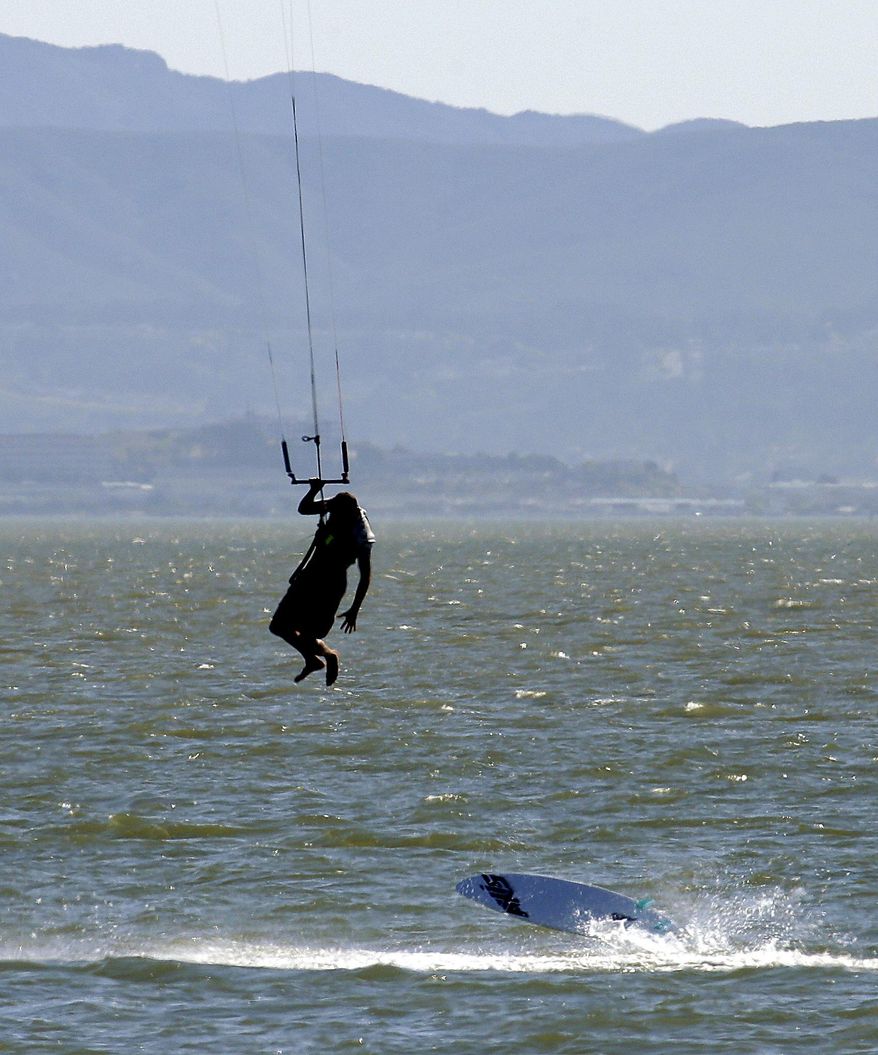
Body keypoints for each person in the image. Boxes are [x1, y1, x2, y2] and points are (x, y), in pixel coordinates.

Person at [270, 479, 374, 685]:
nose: (331, 515)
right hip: (309, 578)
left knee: (310, 633)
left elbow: (365, 576)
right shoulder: (337, 506)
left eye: (335, 514)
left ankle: (327, 656)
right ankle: (313, 659)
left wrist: (355, 609)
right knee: (278, 626)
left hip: (330, 585)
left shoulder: (361, 533)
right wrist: (314, 491)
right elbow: (305, 508)